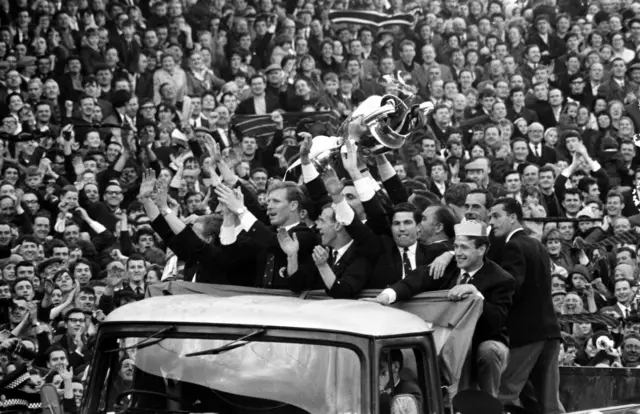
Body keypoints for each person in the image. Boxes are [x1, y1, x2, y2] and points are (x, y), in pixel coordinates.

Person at [369, 221, 514, 397]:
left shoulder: (501, 278)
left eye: (464, 248)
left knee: (489, 351)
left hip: (482, 340)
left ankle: (487, 402)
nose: (458, 253)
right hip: (444, 341)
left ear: (481, 249)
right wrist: (387, 297)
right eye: (456, 247)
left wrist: (477, 296)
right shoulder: (447, 266)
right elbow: (417, 280)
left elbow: (496, 321)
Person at [488, 198, 564, 413]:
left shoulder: (514, 246)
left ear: (513, 218)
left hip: (526, 335)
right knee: (547, 401)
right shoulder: (536, 244)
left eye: (496, 216)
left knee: (505, 392)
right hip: (549, 331)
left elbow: (510, 286)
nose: (491, 222)